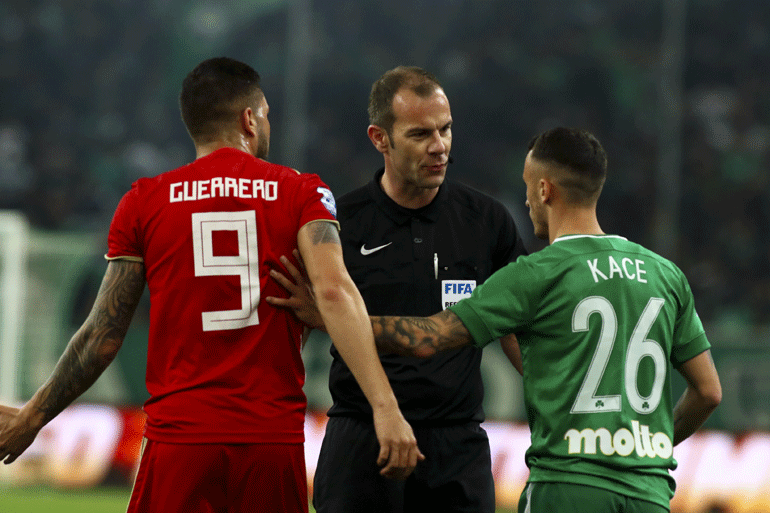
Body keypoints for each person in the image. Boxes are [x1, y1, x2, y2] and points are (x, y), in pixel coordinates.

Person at [0, 57, 423, 513]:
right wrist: (385, 407)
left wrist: (33, 416)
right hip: (269, 442)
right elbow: (335, 291)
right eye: (266, 114)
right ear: (249, 119)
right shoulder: (302, 192)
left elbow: (101, 336)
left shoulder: (144, 201)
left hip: (179, 443)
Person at [363, 127, 722, 512]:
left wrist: (338, 318)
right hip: (648, 493)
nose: (526, 199)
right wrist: (651, 447)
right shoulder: (665, 275)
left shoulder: (536, 274)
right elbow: (708, 393)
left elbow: (427, 337)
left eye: (527, 186)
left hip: (566, 486)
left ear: (544, 190)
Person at [268, 66, 528, 513]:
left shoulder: (487, 221)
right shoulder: (337, 225)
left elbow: (517, 332)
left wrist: (557, 408)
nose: (439, 146)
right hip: (360, 437)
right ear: (380, 139)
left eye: (445, 129)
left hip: (456, 446)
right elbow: (294, 336)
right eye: (420, 134)